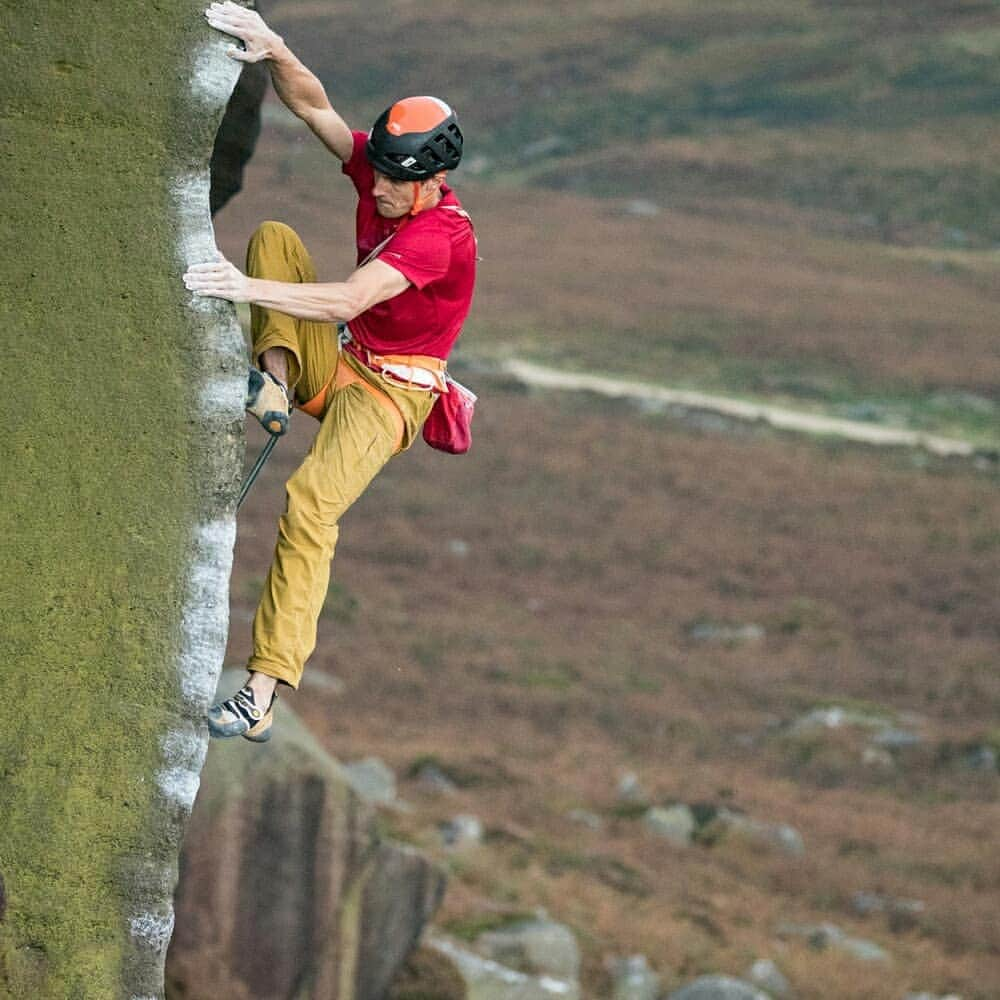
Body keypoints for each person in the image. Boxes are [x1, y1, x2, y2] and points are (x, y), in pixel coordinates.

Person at [184, 1, 477, 742]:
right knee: (278, 237)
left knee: (311, 504)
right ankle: (276, 384)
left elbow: (349, 297)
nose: (374, 188)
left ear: (430, 181)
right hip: (344, 361)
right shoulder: (384, 177)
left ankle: (261, 692)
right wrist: (273, 47)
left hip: (391, 398)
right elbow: (314, 108)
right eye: (373, 171)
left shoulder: (440, 237)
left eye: (390, 182)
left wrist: (241, 290)